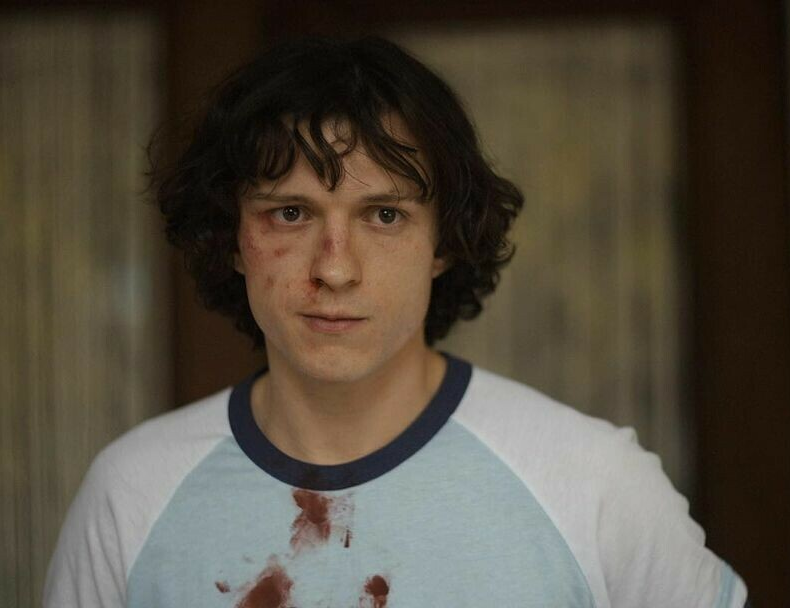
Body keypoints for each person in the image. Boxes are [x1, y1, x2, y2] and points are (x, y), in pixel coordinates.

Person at [44, 36, 749, 608]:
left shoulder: (593, 485)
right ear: (232, 238)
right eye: (290, 213)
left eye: (384, 215)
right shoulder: (132, 495)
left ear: (444, 241)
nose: (335, 269)